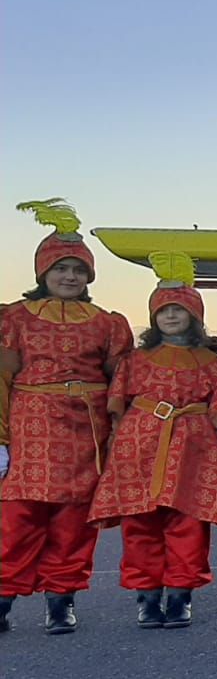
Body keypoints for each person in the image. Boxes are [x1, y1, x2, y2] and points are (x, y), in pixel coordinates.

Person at [0, 200, 133, 635]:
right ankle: (2, 599)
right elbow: (2, 378)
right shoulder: (14, 319)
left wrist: (120, 438)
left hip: (86, 432)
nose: (70, 276)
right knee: (18, 520)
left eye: (79, 269)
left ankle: (62, 600)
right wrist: (1, 437)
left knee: (74, 523)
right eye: (61, 268)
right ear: (43, 273)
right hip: (30, 427)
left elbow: (122, 383)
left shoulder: (107, 323)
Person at [89, 251, 217, 629]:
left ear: (196, 316)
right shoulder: (135, 361)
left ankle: (180, 595)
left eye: (180, 310)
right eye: (163, 310)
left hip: (194, 448)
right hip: (139, 446)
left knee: (188, 524)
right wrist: (114, 449)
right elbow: (116, 407)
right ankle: (147, 596)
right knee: (140, 524)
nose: (171, 316)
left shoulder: (213, 363)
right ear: (154, 317)